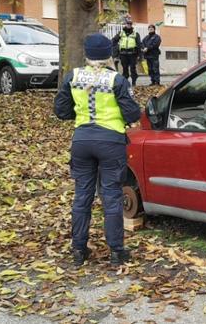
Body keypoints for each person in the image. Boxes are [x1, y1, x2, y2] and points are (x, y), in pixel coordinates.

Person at [54, 33, 141, 266]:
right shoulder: (117, 80)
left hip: (82, 141)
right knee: (111, 196)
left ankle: (79, 251)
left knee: (82, 196)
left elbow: (61, 111)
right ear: (109, 55)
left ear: (87, 54)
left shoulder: (72, 76)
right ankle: (116, 252)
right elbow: (132, 114)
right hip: (111, 142)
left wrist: (82, 116)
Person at [111, 15, 141, 87]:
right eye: (127, 23)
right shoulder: (120, 33)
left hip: (132, 54)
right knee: (125, 69)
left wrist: (140, 55)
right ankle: (125, 83)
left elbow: (139, 44)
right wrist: (116, 53)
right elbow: (113, 41)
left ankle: (134, 82)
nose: (129, 25)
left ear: (131, 25)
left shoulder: (135, 34)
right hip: (123, 54)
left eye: (130, 24)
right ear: (125, 24)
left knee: (133, 69)